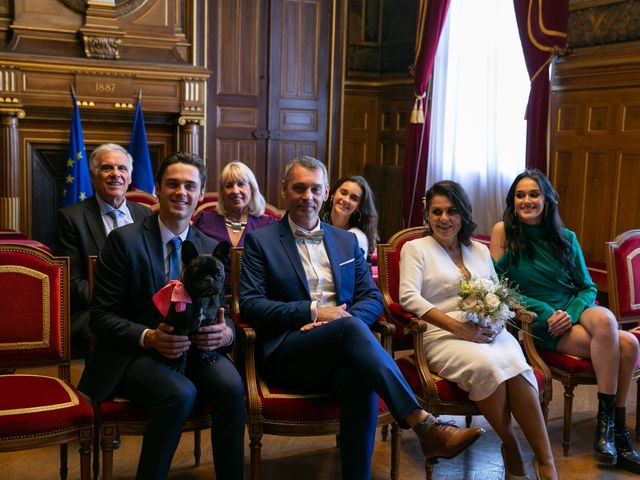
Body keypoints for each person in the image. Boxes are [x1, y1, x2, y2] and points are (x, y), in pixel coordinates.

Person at [239, 156, 483, 479]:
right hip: (288, 352)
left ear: (326, 192)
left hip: (340, 348)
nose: (307, 197)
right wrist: (314, 312)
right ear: (284, 189)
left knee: (360, 380)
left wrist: (340, 322)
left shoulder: (345, 241)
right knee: (350, 329)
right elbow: (252, 305)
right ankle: (425, 426)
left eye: (315, 189)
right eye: (299, 188)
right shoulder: (261, 241)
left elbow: (371, 298)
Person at [78, 152, 245, 480]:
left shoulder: (210, 246)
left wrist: (227, 334)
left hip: (197, 353)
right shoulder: (123, 241)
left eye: (189, 186)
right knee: (179, 392)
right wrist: (148, 337)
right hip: (135, 354)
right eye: (172, 184)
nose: (181, 192)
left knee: (231, 386)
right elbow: (99, 316)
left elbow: (224, 312)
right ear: (157, 188)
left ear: (200, 195)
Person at [399, 180, 557, 480]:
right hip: (442, 333)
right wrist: (459, 328)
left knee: (516, 365)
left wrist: (498, 320)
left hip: (490, 331)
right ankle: (510, 444)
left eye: (452, 211)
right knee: (487, 365)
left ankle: (545, 460)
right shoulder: (415, 249)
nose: (444, 219)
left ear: (464, 214)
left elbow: (500, 293)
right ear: (427, 214)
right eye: (436, 212)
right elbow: (408, 297)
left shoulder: (480, 250)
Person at [490, 169, 640, 474]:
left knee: (612, 325)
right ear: (512, 200)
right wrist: (548, 314)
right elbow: (500, 287)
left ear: (546, 199)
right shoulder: (504, 231)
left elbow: (586, 286)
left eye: (534, 194)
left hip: (572, 309)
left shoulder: (565, 237)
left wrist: (570, 313)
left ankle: (606, 428)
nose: (527, 200)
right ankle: (617, 436)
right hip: (542, 321)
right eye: (520, 195)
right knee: (628, 345)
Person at [56, 143, 152, 354]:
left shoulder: (147, 216)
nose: (115, 174)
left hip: (144, 307)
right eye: (107, 168)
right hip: (96, 310)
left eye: (122, 169)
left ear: (129, 177)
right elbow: (71, 283)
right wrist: (119, 299)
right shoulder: (71, 218)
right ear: (93, 176)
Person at [192, 160, 274, 294]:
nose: (235, 191)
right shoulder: (204, 221)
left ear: (252, 188)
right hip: (211, 296)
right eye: (229, 185)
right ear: (222, 192)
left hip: (257, 297)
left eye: (241, 184)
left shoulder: (267, 224)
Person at [319, 175, 379, 260]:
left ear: (358, 207)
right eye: (343, 193)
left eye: (353, 198)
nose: (346, 200)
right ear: (333, 194)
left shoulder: (358, 238)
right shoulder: (315, 224)